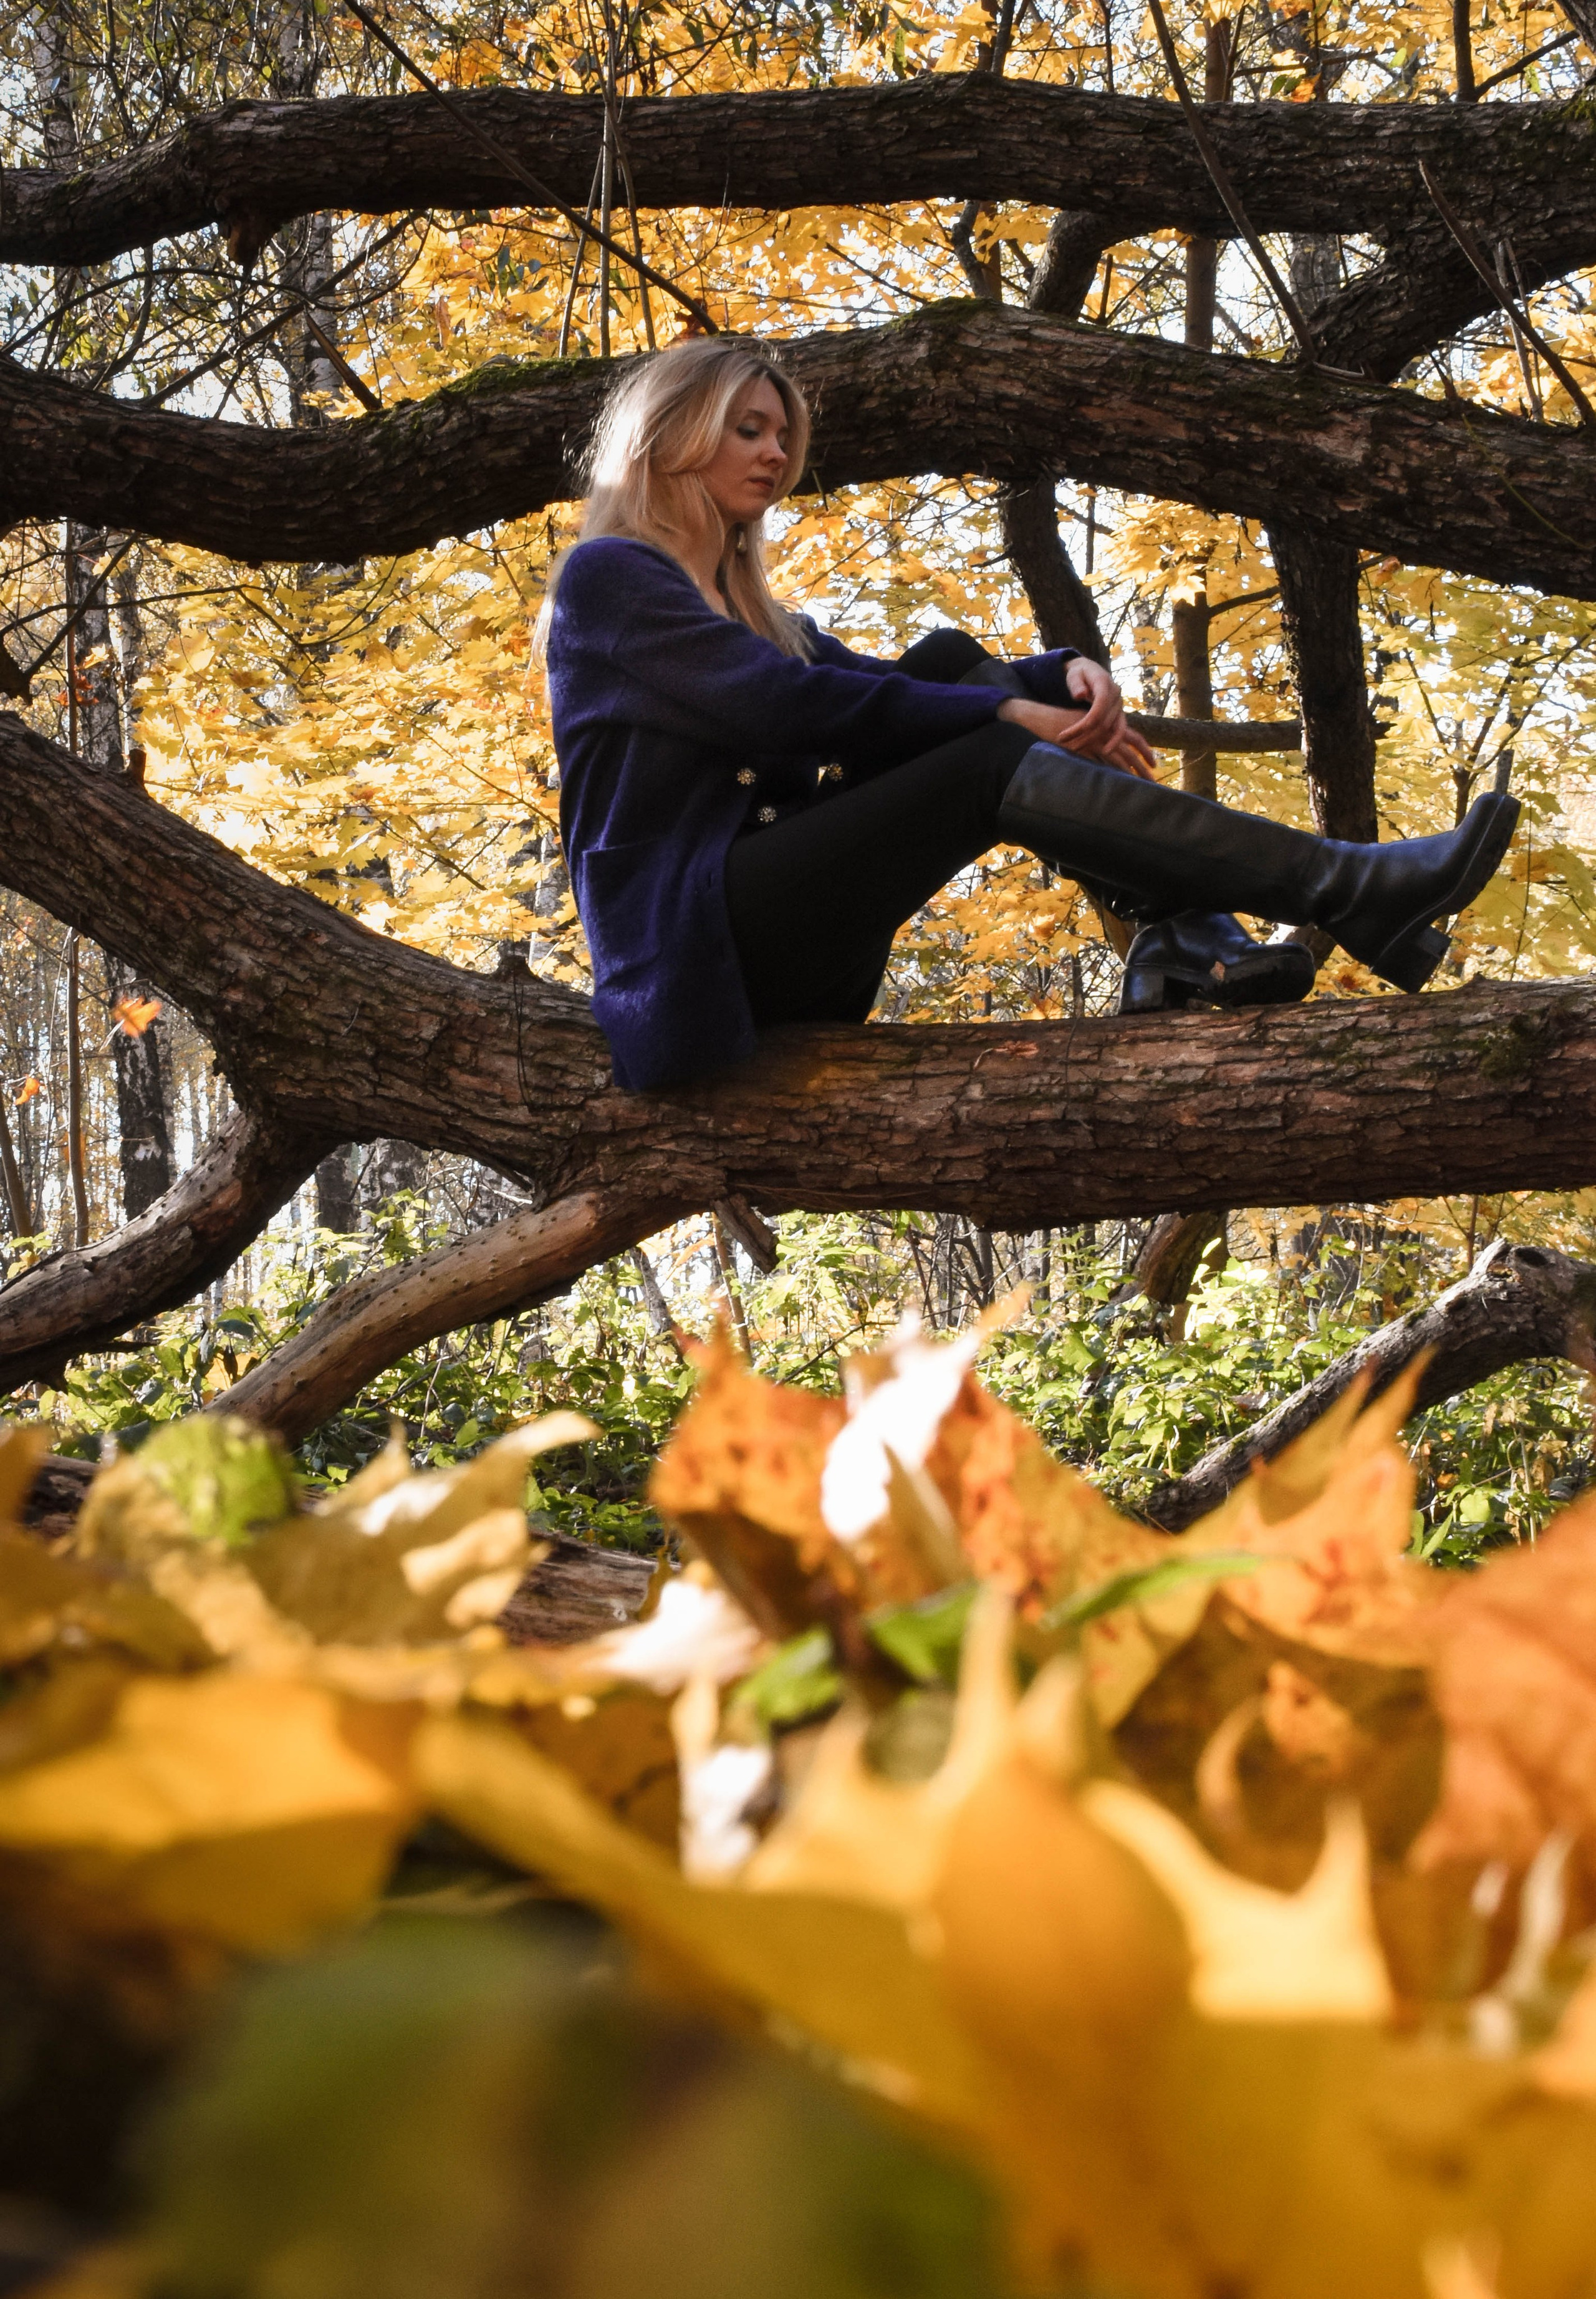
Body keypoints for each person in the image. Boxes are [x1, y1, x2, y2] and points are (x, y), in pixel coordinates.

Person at [539, 336, 1518, 1095]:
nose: (777, 451)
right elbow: (790, 708)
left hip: (777, 931)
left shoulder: (755, 609)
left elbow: (891, 683)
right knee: (981, 744)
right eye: (747, 428)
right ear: (672, 434)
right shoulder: (611, 578)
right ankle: (1343, 887)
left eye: (783, 431)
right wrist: (1011, 712)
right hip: (700, 953)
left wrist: (1057, 676)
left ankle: (1188, 946)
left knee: (948, 666)